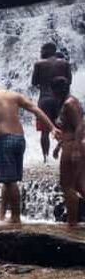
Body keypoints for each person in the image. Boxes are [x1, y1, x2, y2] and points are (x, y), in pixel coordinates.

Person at [0, 79, 60, 223]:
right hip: (19, 139)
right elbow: (36, 109)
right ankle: (1, 215)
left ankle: (15, 217)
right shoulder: (14, 95)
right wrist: (52, 127)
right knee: (7, 180)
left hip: (4, 140)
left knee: (10, 181)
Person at [50, 77, 84, 228]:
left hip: (72, 147)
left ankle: (72, 223)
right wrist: (59, 145)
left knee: (67, 185)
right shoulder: (67, 102)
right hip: (69, 145)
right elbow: (68, 129)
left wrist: (76, 148)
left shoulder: (70, 103)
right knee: (79, 185)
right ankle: (73, 222)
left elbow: (80, 126)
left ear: (56, 90)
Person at [31, 42, 71, 162]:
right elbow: (68, 82)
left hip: (44, 99)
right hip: (61, 100)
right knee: (65, 128)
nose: (40, 52)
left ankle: (45, 158)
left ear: (48, 50)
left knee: (45, 131)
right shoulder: (65, 63)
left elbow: (34, 82)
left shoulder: (39, 64)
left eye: (42, 50)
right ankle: (65, 155)